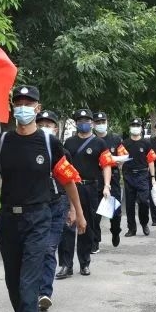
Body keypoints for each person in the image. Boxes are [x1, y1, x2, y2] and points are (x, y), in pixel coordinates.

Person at [0, 85, 85, 312]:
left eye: (30, 103)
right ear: (12, 106)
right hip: (8, 220)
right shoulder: (2, 141)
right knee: (14, 285)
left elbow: (67, 179)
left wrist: (76, 211)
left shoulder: (49, 143)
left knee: (29, 286)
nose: (24, 107)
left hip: (38, 219)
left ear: (38, 109)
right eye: (19, 102)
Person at [59, 108, 113, 271]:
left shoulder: (99, 143)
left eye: (87, 121)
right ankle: (66, 265)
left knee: (86, 225)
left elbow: (106, 165)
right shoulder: (68, 143)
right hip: (70, 188)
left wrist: (106, 185)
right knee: (68, 226)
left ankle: (84, 262)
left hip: (90, 188)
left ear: (92, 123)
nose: (84, 124)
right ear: (76, 123)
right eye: (80, 121)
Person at [36, 109, 73, 310]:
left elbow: (69, 182)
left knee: (49, 249)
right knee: (33, 251)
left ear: (55, 128)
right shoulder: (28, 150)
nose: (44, 128)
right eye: (40, 124)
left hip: (56, 206)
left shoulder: (62, 152)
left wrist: (74, 209)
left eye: (48, 125)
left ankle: (44, 292)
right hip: (33, 208)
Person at [120, 117, 156, 237]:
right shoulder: (124, 144)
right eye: (133, 126)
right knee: (129, 204)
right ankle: (131, 228)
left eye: (137, 126)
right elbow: (120, 160)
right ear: (130, 128)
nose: (135, 128)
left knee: (144, 202)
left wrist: (152, 177)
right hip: (128, 175)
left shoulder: (146, 143)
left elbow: (151, 161)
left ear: (141, 128)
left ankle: (144, 223)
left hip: (142, 175)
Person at [93, 111, 123, 247]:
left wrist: (114, 161)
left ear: (107, 122)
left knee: (115, 214)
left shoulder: (116, 139)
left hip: (113, 179)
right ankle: (95, 240)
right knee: (94, 214)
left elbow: (123, 157)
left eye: (102, 122)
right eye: (97, 123)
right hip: (95, 179)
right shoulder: (90, 139)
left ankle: (115, 231)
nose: (100, 125)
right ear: (93, 124)